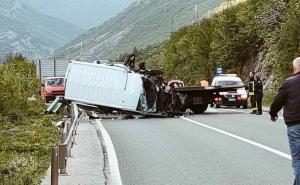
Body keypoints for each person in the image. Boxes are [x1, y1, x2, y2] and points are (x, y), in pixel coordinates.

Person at [269, 57, 300, 185]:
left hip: (295, 126)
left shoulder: (289, 83)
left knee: (298, 159)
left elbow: (277, 102)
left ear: (294, 68)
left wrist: (273, 114)